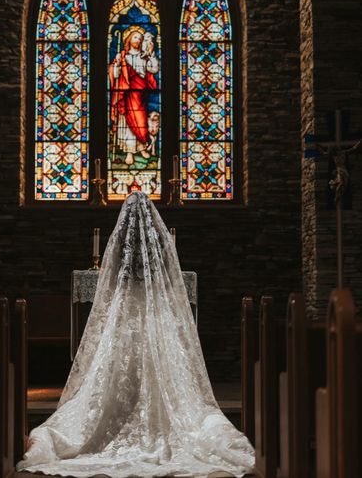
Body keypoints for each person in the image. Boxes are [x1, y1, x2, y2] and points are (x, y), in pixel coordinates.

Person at [17, 192, 255, 477]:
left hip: (124, 312)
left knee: (114, 368)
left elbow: (112, 280)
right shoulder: (158, 251)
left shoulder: (119, 247)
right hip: (156, 314)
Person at [109, 27, 159, 166]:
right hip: (126, 93)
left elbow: (154, 69)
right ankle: (129, 152)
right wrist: (117, 67)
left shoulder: (144, 56)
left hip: (140, 93)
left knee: (141, 121)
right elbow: (114, 73)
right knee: (127, 123)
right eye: (136, 37)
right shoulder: (123, 56)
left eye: (140, 38)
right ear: (129, 39)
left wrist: (151, 56)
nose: (138, 40)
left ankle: (142, 147)